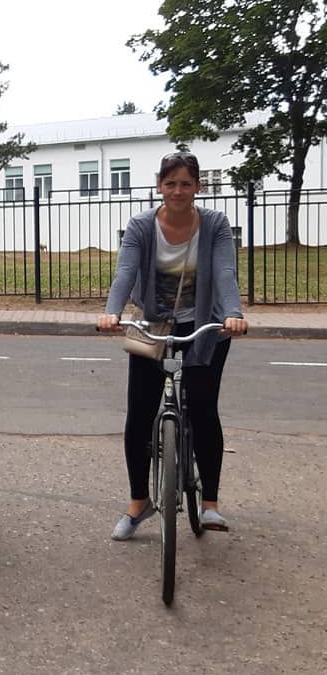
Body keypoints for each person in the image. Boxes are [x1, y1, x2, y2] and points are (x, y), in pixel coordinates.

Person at [98, 152, 247, 539]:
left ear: (197, 186)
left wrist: (233, 313)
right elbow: (126, 271)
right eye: (170, 184)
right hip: (154, 323)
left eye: (185, 184)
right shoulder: (141, 226)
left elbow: (225, 272)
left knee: (203, 407)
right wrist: (112, 312)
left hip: (205, 324)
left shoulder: (215, 224)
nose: (177, 191)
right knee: (139, 414)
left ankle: (210, 504)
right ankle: (138, 503)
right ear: (159, 186)